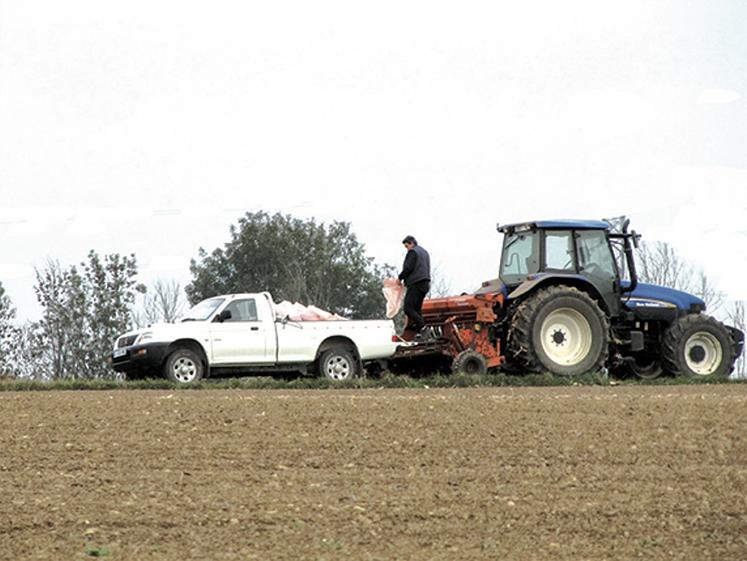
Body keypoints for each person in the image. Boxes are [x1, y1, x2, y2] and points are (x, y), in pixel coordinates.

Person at [398, 235, 430, 339]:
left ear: (411, 243)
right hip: (425, 283)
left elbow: (408, 268)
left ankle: (423, 327)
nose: (407, 249)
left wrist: (400, 278)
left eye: (407, 246)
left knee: (408, 308)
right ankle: (420, 333)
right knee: (417, 309)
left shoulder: (413, 252)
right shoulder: (425, 252)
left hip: (416, 282)